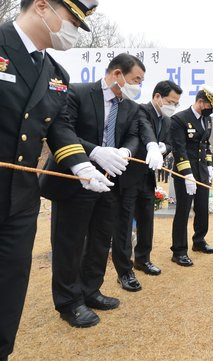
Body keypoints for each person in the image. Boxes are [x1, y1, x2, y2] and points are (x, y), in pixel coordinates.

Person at [0, 0, 105, 358]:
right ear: (42, 6)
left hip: (19, 200)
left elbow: (58, 126)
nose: (73, 30)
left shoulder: (56, 73)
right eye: (72, 19)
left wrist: (81, 165)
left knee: (10, 286)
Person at [40, 53, 149, 327]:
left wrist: (125, 150)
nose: (138, 86)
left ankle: (91, 290)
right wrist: (95, 152)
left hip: (109, 181)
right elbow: (61, 129)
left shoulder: (130, 106)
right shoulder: (77, 92)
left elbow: (135, 134)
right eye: (136, 79)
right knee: (70, 241)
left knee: (101, 240)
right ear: (117, 75)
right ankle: (69, 302)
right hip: (75, 178)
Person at [112, 80, 181, 291]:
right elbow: (144, 132)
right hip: (129, 176)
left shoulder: (167, 121)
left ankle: (143, 259)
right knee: (124, 225)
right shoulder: (140, 110)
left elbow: (168, 143)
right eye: (170, 101)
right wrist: (152, 145)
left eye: (177, 103)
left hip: (148, 179)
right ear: (157, 97)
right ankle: (124, 271)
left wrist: (163, 148)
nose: (173, 106)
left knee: (146, 222)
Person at [170, 87, 213, 267]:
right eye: (210, 105)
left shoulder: (207, 120)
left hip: (202, 171)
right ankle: (178, 251)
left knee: (202, 207)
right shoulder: (180, 119)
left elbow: (206, 145)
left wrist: (209, 166)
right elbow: (179, 149)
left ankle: (199, 241)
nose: (211, 110)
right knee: (183, 211)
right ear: (201, 101)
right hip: (185, 172)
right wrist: (187, 175)